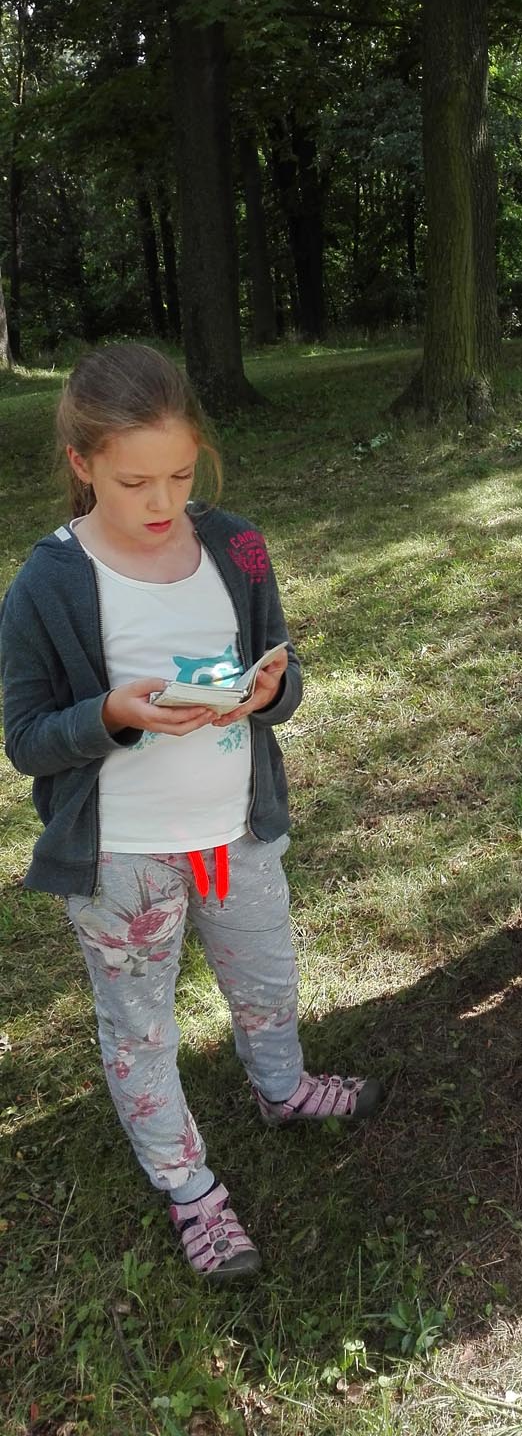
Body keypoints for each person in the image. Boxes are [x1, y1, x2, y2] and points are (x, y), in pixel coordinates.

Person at [0, 345, 383, 1279]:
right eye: (134, 482)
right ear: (82, 464)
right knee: (139, 1027)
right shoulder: (48, 583)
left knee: (268, 981)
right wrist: (111, 714)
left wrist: (272, 693)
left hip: (236, 833)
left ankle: (282, 1089)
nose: (162, 502)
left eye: (180, 474)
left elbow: (280, 666)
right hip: (121, 858)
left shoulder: (237, 546)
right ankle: (189, 1188)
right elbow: (27, 738)